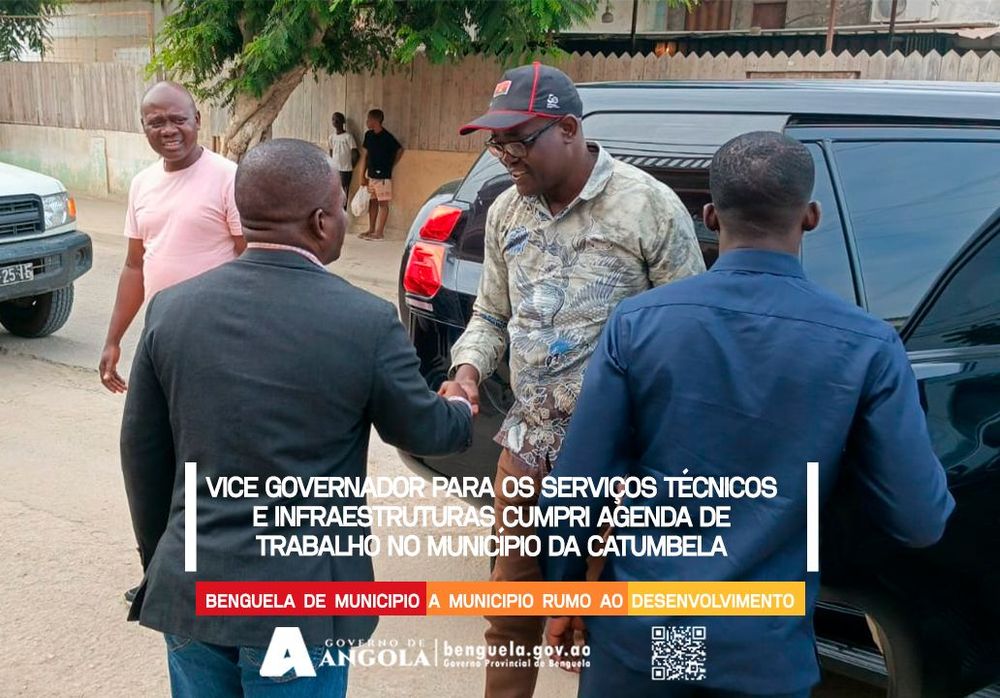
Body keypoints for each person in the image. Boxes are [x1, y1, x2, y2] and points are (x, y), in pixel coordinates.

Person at [538, 131, 956, 698]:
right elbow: (919, 519)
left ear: (711, 217)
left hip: (651, 632)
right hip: (762, 650)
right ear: (810, 217)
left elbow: (574, 494)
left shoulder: (638, 324)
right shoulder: (868, 346)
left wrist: (566, 595)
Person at [120, 139, 474, 697]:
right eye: (340, 207)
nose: (344, 218)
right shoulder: (365, 321)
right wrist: (459, 403)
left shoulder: (172, 308)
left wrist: (161, 560)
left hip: (190, 591)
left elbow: (142, 452)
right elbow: (426, 431)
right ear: (320, 221)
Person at [438, 62, 705, 698]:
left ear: (567, 128)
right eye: (496, 143)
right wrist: (466, 371)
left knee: (621, 620)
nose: (506, 155)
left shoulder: (647, 206)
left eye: (518, 141)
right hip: (529, 447)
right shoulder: (506, 211)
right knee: (511, 614)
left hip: (623, 460)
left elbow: (689, 332)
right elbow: (491, 314)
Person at [100, 81, 245, 395]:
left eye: (178, 119)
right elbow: (135, 266)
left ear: (197, 120)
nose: (168, 130)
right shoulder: (141, 184)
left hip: (217, 333)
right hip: (161, 331)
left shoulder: (228, 177)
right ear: (144, 127)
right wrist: (113, 340)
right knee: (155, 420)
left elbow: (251, 260)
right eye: (156, 123)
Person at [359, 109, 403, 241]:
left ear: (376, 120)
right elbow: (364, 156)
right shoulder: (368, 135)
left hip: (383, 176)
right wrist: (362, 175)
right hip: (371, 175)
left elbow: (400, 150)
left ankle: (380, 232)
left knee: (383, 203)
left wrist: (391, 165)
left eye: (369, 119)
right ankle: (371, 229)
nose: (367, 122)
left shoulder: (387, 137)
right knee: (372, 202)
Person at [328, 112, 359, 208]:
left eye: (338, 119)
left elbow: (355, 153)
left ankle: (343, 212)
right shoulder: (331, 137)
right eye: (333, 119)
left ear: (343, 121)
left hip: (345, 170)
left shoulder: (348, 137)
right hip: (335, 169)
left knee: (344, 192)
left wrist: (350, 166)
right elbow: (331, 151)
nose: (335, 121)